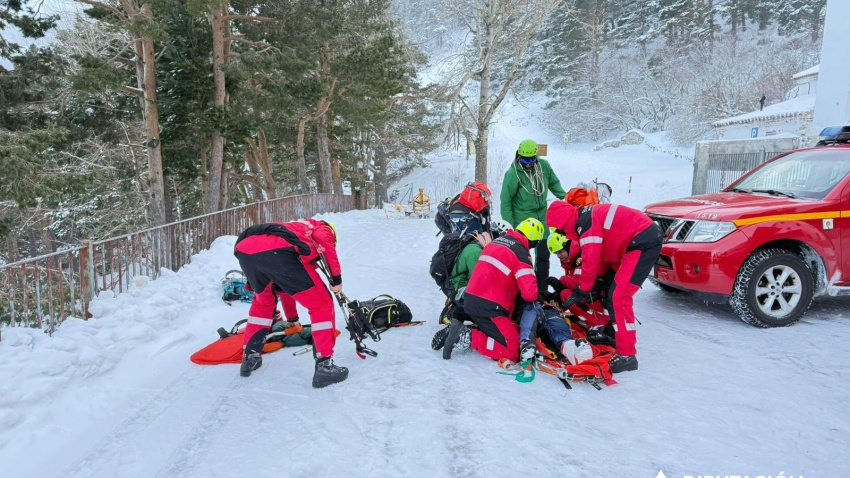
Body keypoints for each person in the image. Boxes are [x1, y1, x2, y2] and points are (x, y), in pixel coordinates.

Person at [546, 201, 662, 373]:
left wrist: (583, 289)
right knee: (611, 292)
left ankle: (627, 355)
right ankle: (611, 331)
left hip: (639, 243)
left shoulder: (585, 224)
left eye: (560, 229)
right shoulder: (586, 217)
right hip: (631, 244)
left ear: (564, 222)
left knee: (619, 297)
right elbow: (600, 258)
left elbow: (591, 260)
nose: (563, 233)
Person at [233, 219, 349, 388]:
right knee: (321, 304)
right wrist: (336, 279)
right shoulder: (322, 228)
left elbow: (287, 287)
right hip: (279, 251)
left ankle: (250, 357)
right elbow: (324, 242)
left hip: (244, 249)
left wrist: (292, 318)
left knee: (262, 304)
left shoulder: (296, 229)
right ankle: (325, 366)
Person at [440, 218, 544, 362]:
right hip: (491, 307)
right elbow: (529, 294)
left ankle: (464, 322)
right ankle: (468, 336)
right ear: (533, 241)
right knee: (513, 349)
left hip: (470, 300)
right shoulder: (521, 254)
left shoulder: (494, 243)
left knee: (495, 329)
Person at [500, 139, 567, 293]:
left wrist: (566, 197)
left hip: (542, 218)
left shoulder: (544, 166)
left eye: (532, 159)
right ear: (519, 156)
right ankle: (523, 290)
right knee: (523, 258)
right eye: (524, 159)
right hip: (522, 221)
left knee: (544, 256)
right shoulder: (513, 174)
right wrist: (510, 227)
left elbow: (554, 184)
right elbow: (505, 202)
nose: (528, 163)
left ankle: (542, 290)